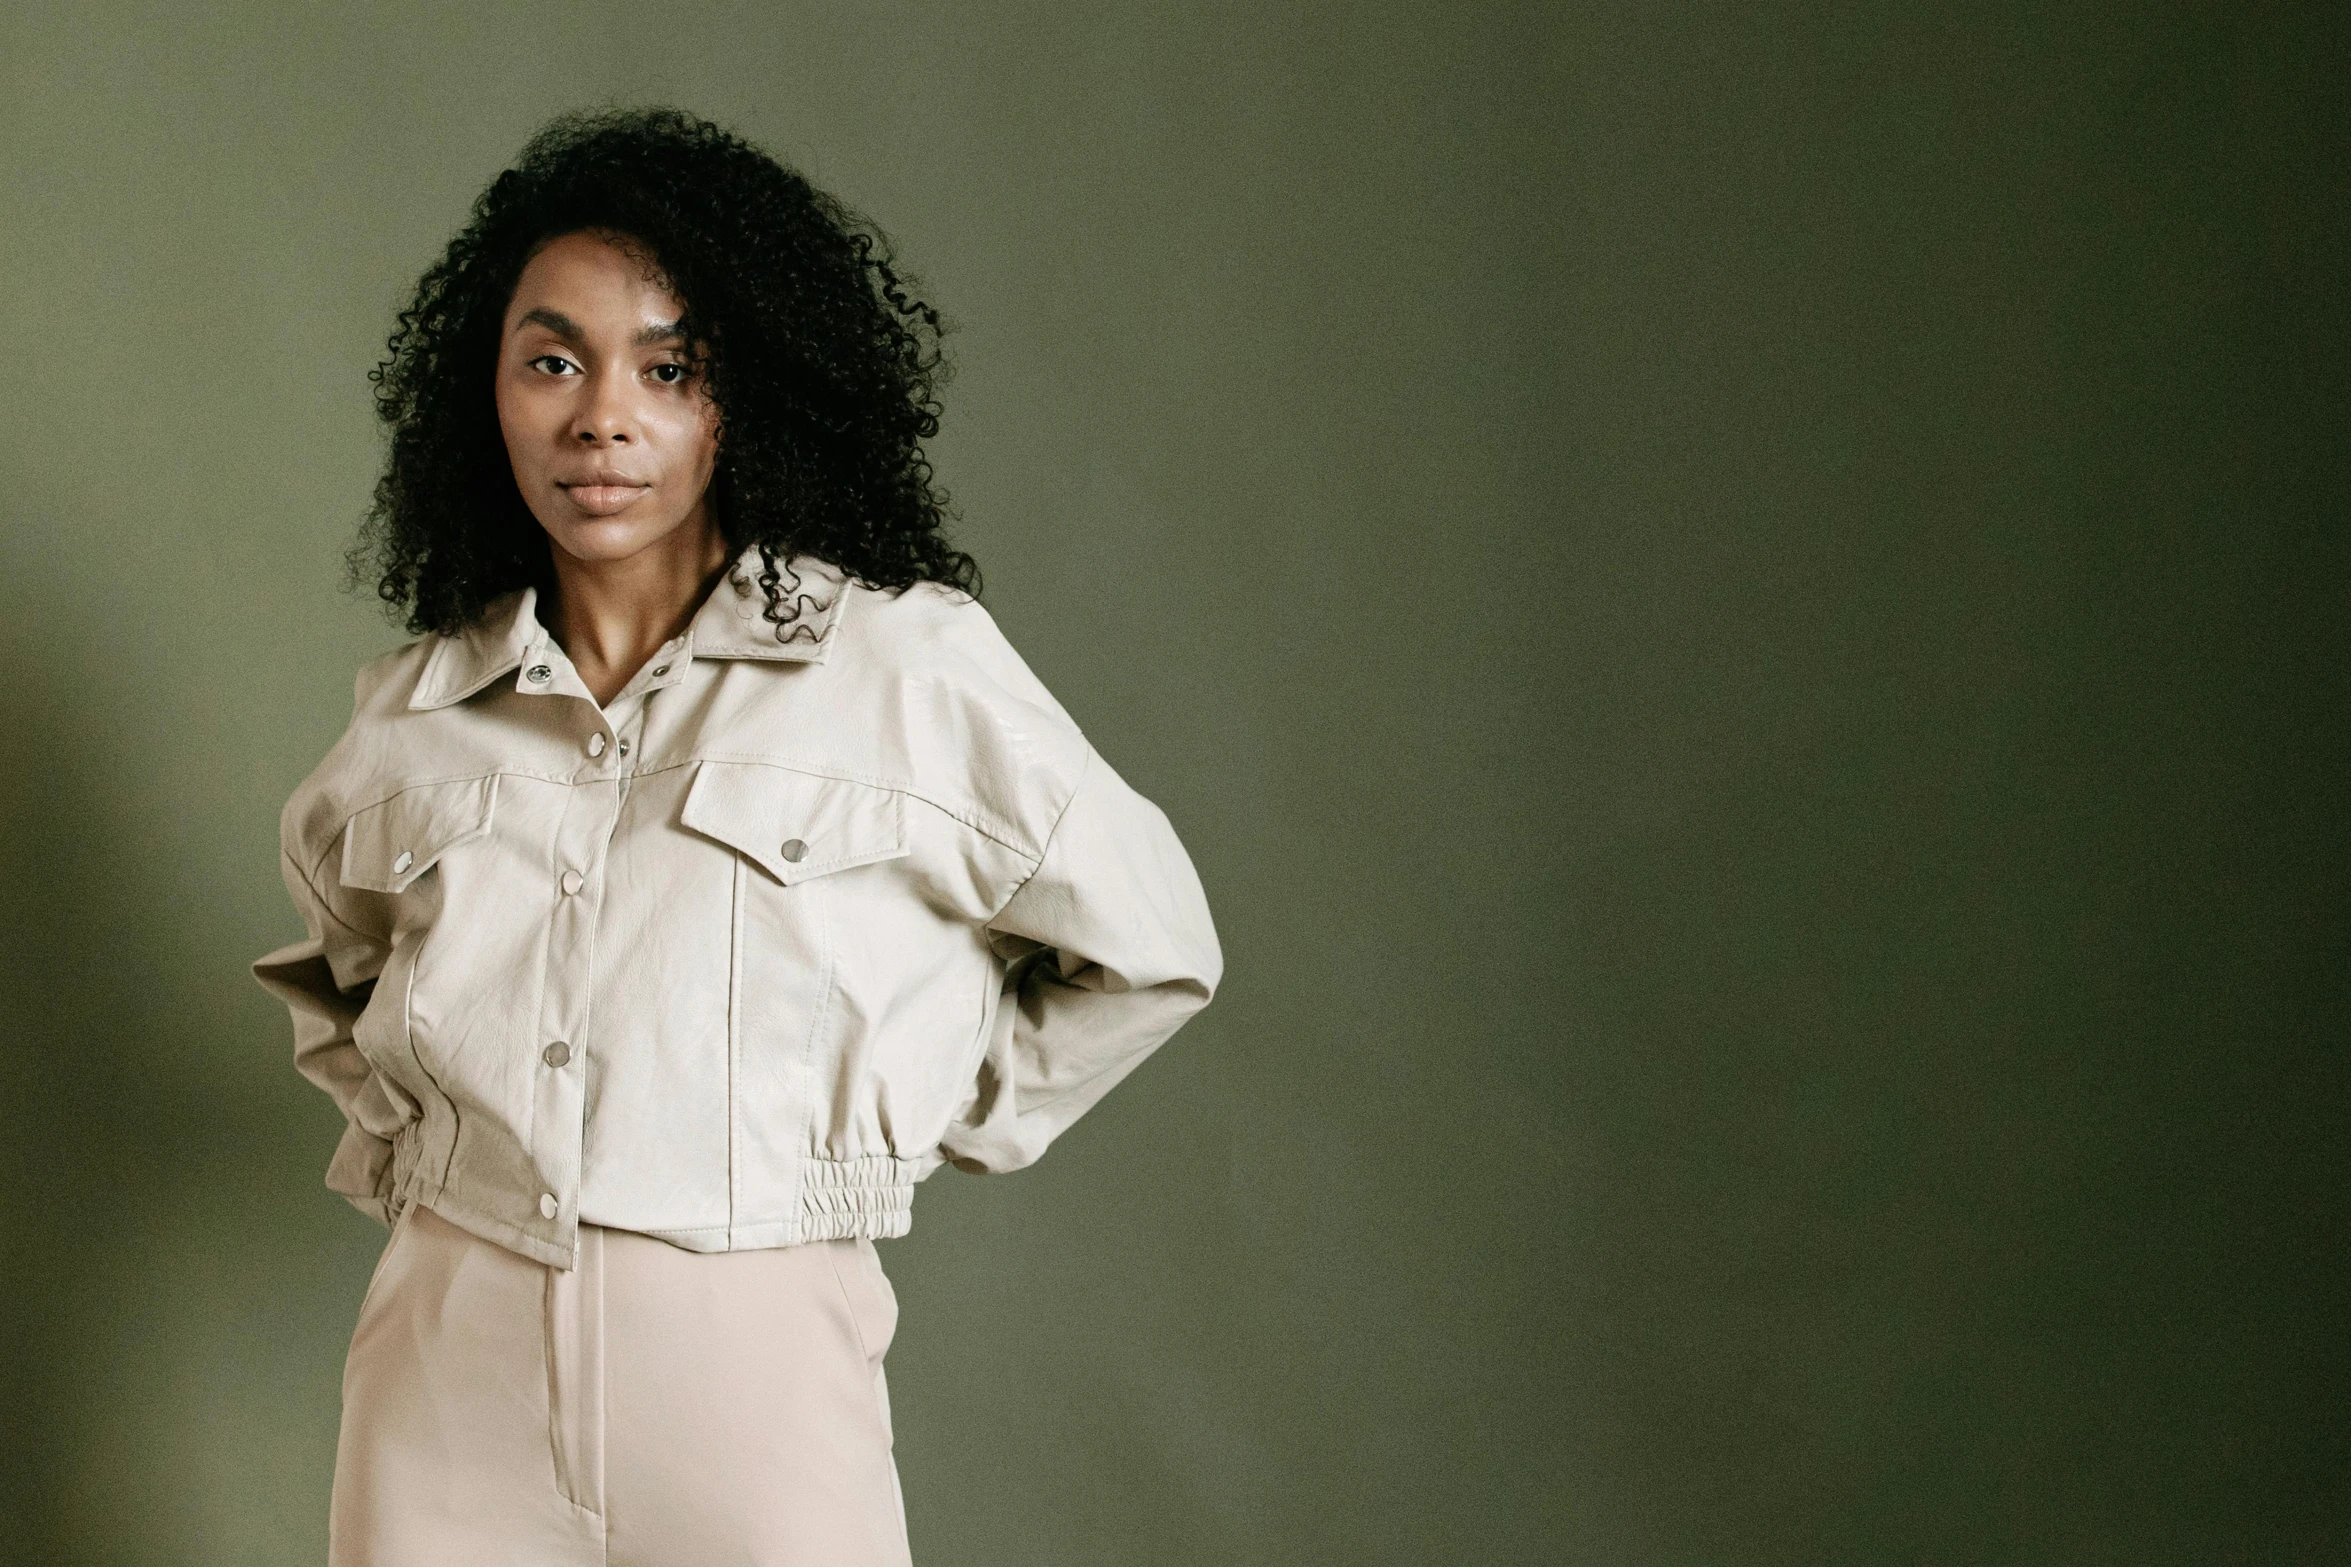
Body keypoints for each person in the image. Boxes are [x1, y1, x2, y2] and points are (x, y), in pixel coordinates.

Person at [251, 108, 1221, 1567]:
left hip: (754, 1366)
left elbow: (1152, 946)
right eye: (552, 358)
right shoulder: (413, 711)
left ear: (743, 393)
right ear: (492, 393)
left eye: (669, 365)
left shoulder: (904, 670)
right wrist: (434, 1163)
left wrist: (890, 1123)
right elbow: (339, 979)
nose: (602, 418)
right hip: (444, 1368)